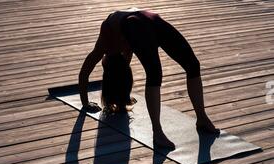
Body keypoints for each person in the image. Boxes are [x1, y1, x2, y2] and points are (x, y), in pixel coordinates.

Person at [79, 8, 219, 148]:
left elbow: (85, 72)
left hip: (137, 22)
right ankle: (189, 122)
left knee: (159, 72)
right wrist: (86, 103)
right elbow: (89, 73)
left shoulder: (104, 43)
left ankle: (191, 122)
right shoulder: (120, 48)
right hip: (149, 17)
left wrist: (85, 104)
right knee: (190, 65)